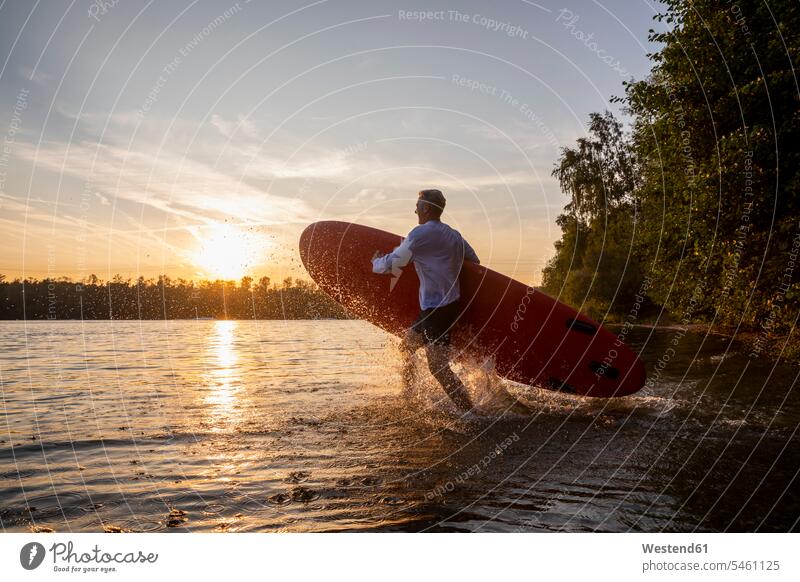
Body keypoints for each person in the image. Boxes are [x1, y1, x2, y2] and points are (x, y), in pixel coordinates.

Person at [371, 189, 479, 411]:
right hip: (443, 307)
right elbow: (474, 261)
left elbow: (393, 263)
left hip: (437, 309)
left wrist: (375, 263)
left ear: (426, 208)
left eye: (417, 205)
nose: (415, 210)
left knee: (438, 367)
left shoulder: (420, 234)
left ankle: (470, 412)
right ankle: (410, 400)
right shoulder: (454, 236)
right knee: (407, 347)